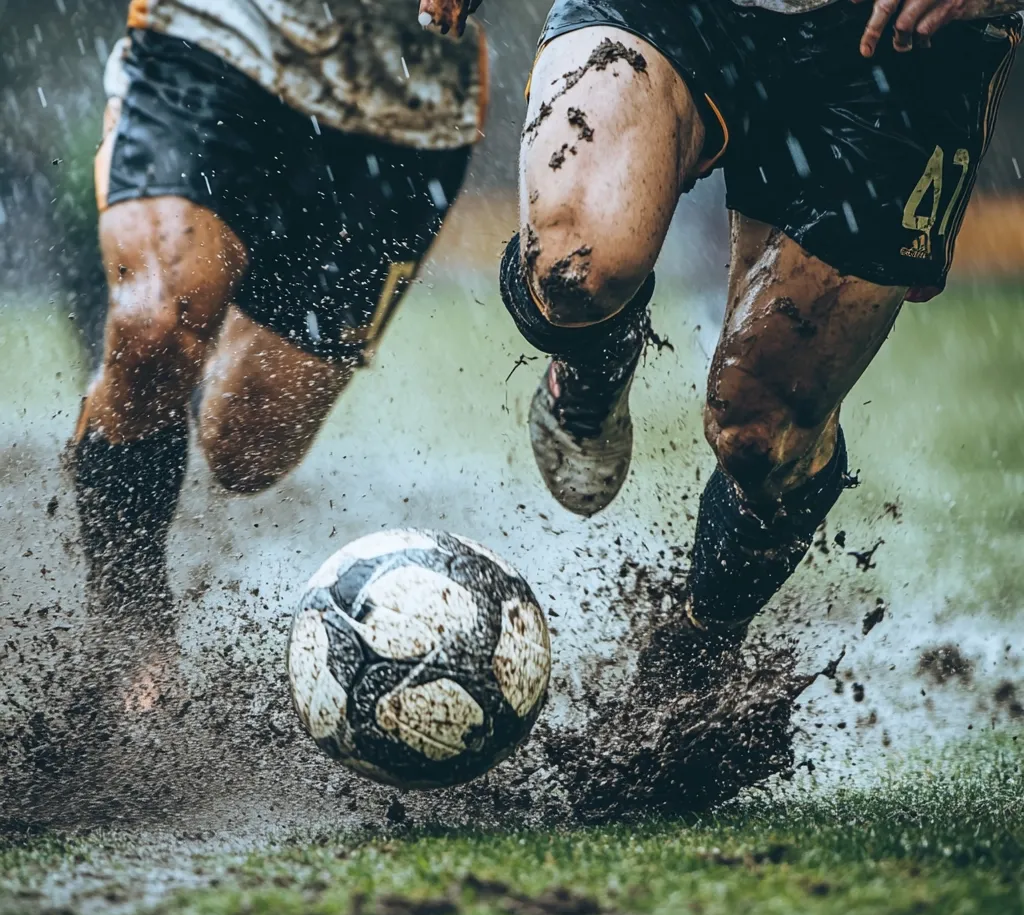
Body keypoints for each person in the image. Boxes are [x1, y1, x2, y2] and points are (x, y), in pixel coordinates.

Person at [481, 0, 1021, 675]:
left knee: (762, 436)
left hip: (898, 45)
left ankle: (693, 663)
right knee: (571, 266)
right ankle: (593, 363)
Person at [72, 0, 487, 627]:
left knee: (249, 451)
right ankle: (129, 618)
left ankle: (182, 364)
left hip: (406, 93)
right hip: (221, 31)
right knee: (155, 325)